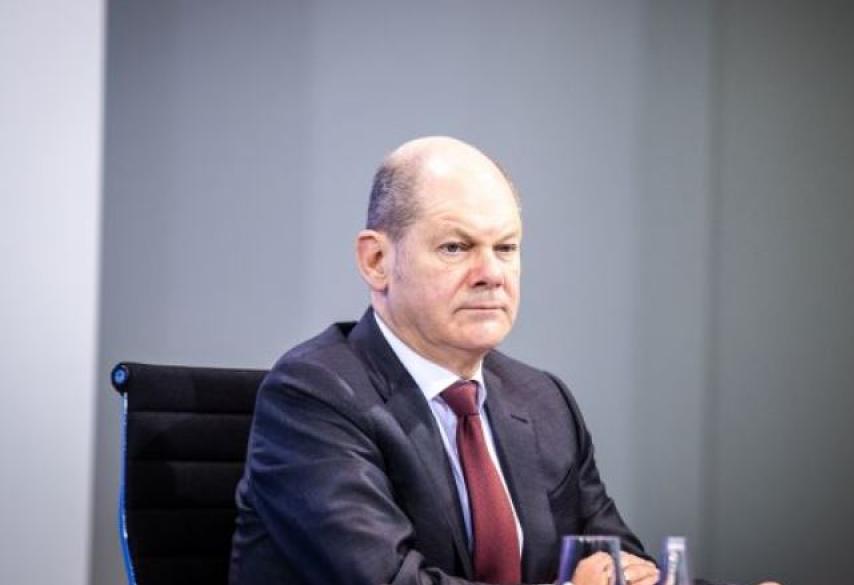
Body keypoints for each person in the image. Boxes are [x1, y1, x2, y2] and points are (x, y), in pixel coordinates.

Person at [229, 137, 747, 585]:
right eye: (456, 248)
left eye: (506, 248)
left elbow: (620, 566)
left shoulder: (543, 401)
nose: (491, 273)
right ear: (377, 260)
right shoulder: (313, 396)